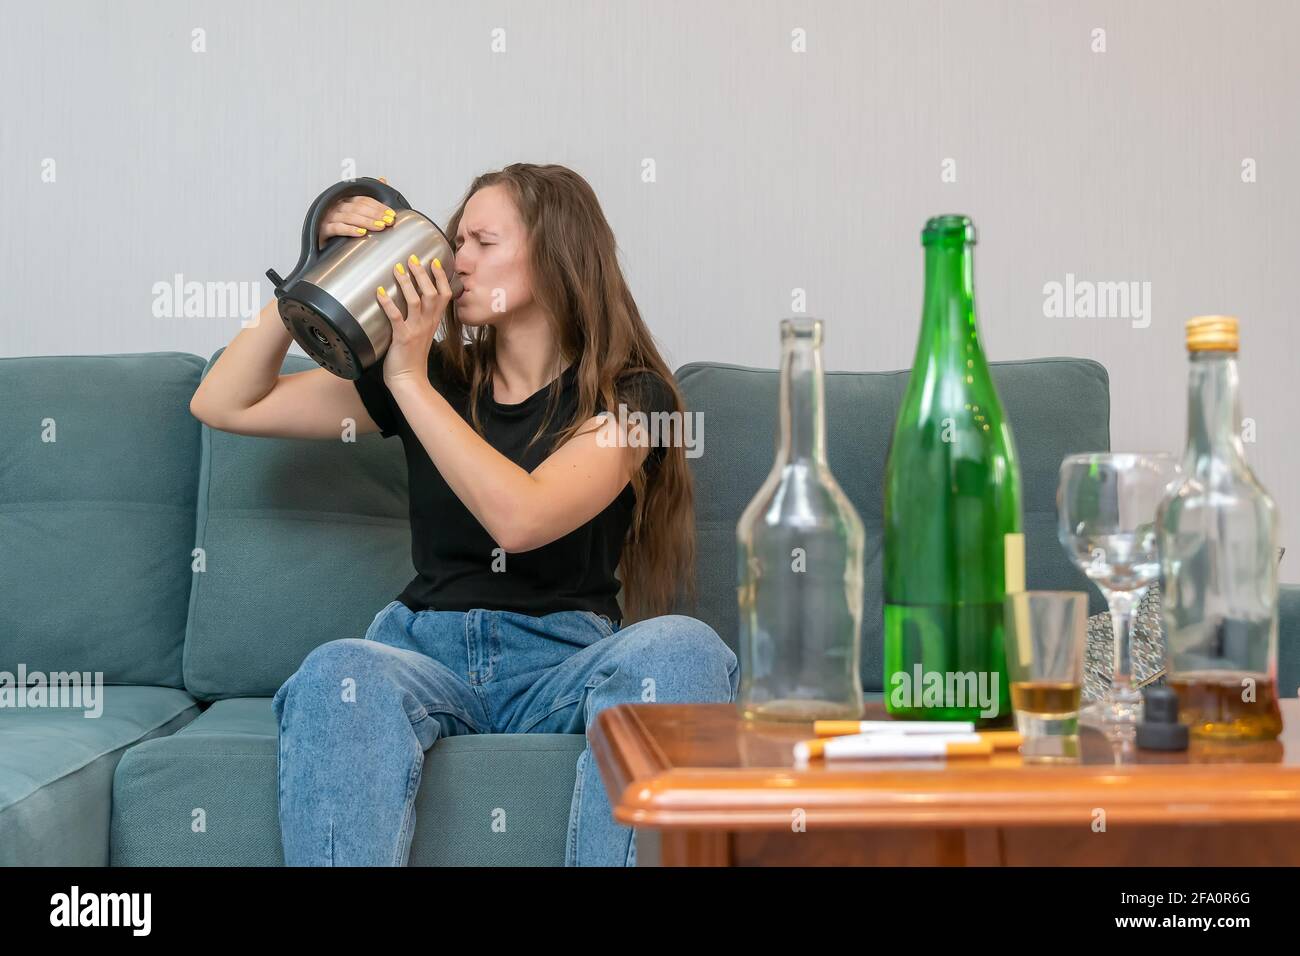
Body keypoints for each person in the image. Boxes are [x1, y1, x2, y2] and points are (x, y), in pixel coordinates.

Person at [188, 163, 737, 866]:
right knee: (337, 670)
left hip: (565, 661)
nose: (456, 260)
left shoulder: (633, 398)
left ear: (557, 256)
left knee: (684, 650)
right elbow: (225, 402)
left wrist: (409, 381)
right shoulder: (439, 374)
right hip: (426, 652)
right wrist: (317, 267)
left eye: (482, 242)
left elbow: (523, 517)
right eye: (455, 241)